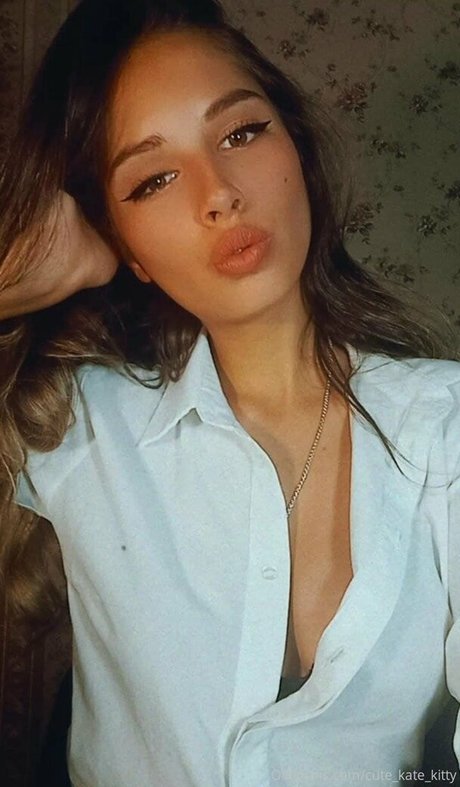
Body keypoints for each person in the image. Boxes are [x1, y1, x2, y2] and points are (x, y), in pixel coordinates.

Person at [0, 0, 459, 784]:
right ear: (125, 249)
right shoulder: (82, 426)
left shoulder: (443, 425)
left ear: (296, 148)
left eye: (242, 133)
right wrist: (24, 268)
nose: (218, 193)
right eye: (153, 179)